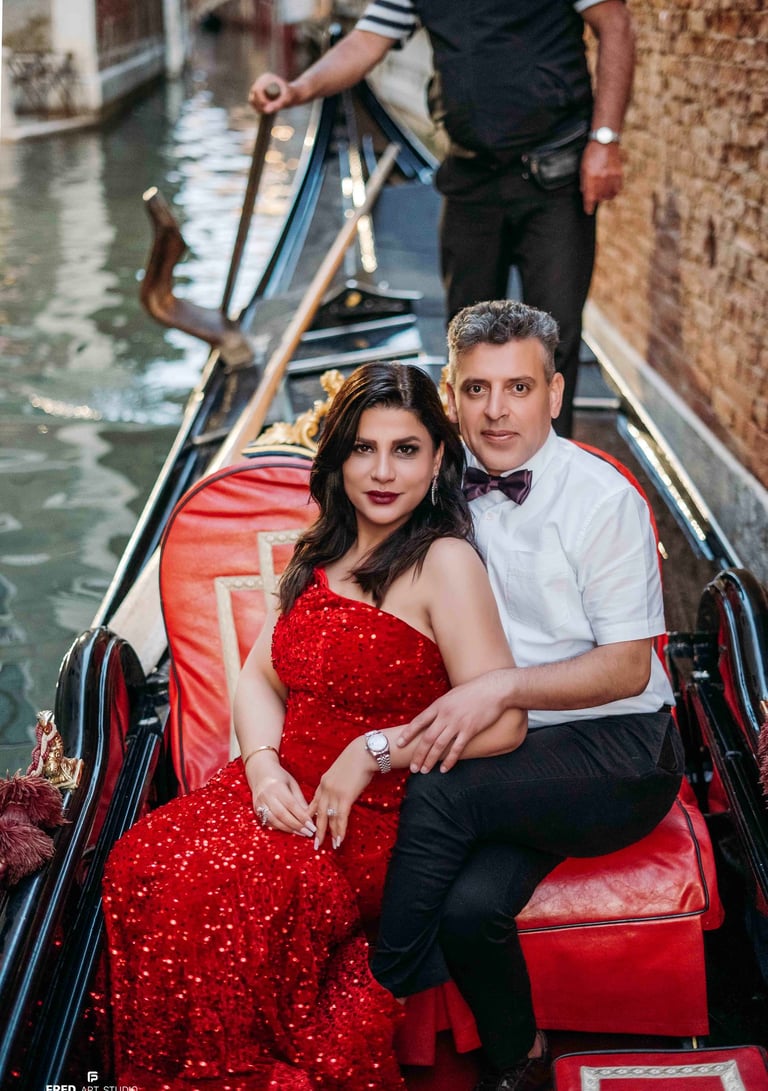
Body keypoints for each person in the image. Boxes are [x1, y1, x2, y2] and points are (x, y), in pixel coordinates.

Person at [102, 361, 527, 1090]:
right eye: (364, 448)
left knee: (216, 900)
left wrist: (376, 751)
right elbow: (260, 679)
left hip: (368, 821)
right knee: (139, 861)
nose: (383, 471)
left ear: (436, 459)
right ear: (337, 459)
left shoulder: (444, 563)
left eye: (406, 449)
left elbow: (504, 723)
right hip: (273, 788)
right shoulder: (319, 552)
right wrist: (262, 765)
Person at [368, 300, 685, 1091]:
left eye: (517, 387)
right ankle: (522, 1060)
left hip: (620, 749)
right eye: (477, 390)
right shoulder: (433, 481)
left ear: (553, 391)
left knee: (437, 793)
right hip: (520, 751)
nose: (497, 410)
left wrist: (502, 687)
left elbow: (627, 670)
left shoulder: (599, 499)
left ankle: (381, 975)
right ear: (451, 394)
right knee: (475, 909)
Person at [249, 0, 635, 438]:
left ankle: (547, 472)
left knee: (552, 343)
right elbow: (366, 42)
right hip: (471, 180)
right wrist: (298, 89)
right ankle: (471, 469)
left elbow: (615, 24)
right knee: (469, 344)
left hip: (554, 179)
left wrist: (605, 139)